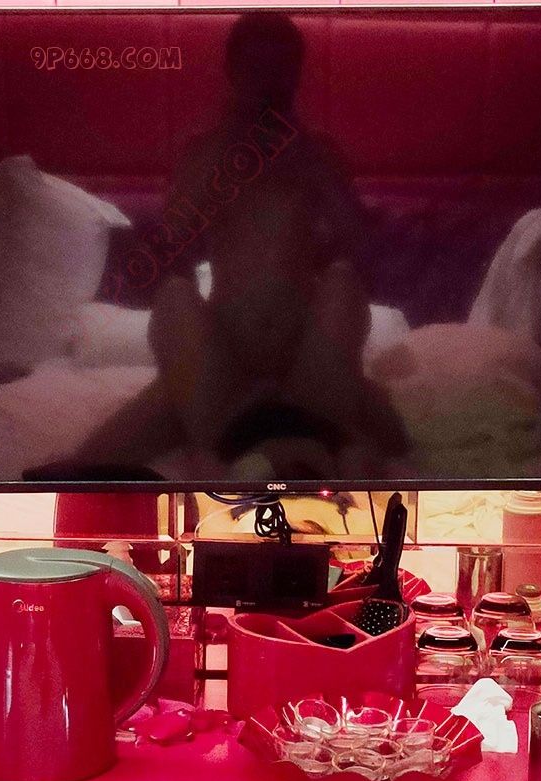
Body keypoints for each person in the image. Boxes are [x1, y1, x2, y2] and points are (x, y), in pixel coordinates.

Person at [77, 12, 407, 480]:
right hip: (226, 344)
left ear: (295, 77)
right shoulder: (204, 152)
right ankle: (289, 441)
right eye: (256, 71)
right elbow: (171, 256)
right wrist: (222, 159)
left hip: (304, 345)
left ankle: (240, 444)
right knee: (173, 300)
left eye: (280, 72)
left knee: (342, 283)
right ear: (233, 75)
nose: (268, 84)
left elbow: (365, 257)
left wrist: (314, 168)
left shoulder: (318, 153)